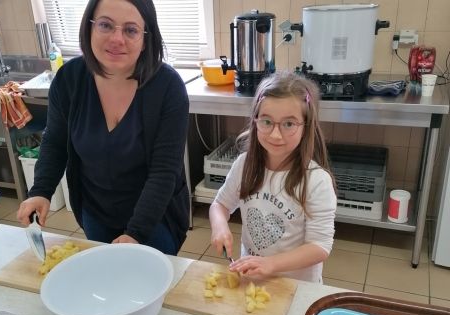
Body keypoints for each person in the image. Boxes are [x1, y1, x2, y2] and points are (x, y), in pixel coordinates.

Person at [17, 0, 189, 255]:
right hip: (95, 212)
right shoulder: (69, 79)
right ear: (90, 28)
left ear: (146, 38)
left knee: (150, 286)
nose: (116, 39)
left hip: (155, 218)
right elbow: (55, 142)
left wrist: (136, 233)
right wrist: (41, 191)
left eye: (130, 30)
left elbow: (164, 171)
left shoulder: (167, 87)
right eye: (106, 25)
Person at [209, 72, 336, 283]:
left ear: (306, 126)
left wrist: (271, 264)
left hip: (296, 285)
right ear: (255, 121)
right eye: (267, 121)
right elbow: (220, 204)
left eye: (288, 124)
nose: (276, 135)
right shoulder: (244, 165)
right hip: (253, 279)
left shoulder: (316, 182)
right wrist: (219, 225)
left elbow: (320, 247)